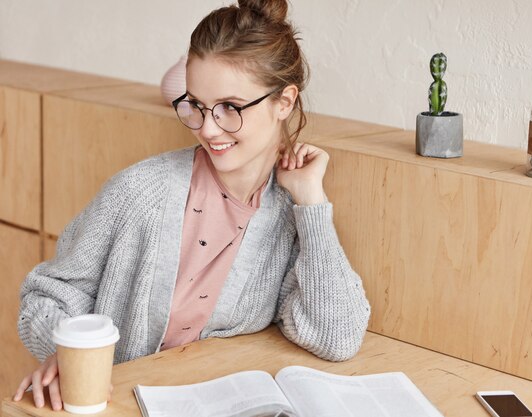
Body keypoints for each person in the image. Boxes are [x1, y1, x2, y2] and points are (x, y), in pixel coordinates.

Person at [12, 0, 370, 411]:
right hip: (117, 405)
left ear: (284, 102)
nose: (209, 128)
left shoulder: (288, 216)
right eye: (196, 106)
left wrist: (311, 203)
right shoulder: (140, 192)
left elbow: (337, 337)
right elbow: (46, 297)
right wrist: (69, 351)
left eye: (230, 108)